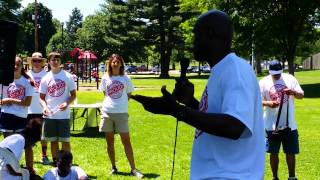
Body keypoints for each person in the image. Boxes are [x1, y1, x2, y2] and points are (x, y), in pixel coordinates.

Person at [131, 10, 265, 179]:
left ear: (210, 34)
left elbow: (234, 126)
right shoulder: (221, 70)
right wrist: (190, 103)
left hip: (230, 175)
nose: (192, 42)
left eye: (196, 36)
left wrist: (179, 111)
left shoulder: (235, 70)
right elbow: (216, 118)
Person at [99, 54, 143, 178]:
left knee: (126, 141)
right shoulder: (105, 78)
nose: (115, 63)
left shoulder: (126, 78)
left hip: (121, 113)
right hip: (107, 112)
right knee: (109, 142)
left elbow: (129, 94)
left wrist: (120, 104)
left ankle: (133, 169)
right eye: (113, 62)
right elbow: (105, 93)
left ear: (121, 64)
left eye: (118, 61)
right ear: (110, 64)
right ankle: (113, 167)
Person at [259, 60, 304, 180]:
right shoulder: (263, 82)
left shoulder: (290, 79)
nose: (277, 76)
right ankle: (275, 177)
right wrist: (268, 103)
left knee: (291, 152)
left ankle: (292, 177)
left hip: (290, 124)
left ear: (282, 70)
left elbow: (301, 95)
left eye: (279, 73)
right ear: (269, 72)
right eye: (274, 74)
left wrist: (293, 92)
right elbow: (255, 101)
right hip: (271, 125)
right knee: (273, 153)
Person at [39, 52, 77, 166]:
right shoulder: (45, 78)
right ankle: (57, 163)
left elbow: (74, 95)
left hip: (63, 115)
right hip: (50, 115)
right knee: (53, 141)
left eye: (57, 60)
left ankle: (67, 163)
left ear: (60, 62)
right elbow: (41, 98)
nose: (55, 62)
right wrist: (45, 107)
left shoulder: (67, 76)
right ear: (49, 62)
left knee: (65, 141)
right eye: (53, 60)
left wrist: (66, 103)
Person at [26, 52, 50, 174]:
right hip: (28, 109)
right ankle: (28, 158)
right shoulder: (26, 74)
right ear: (31, 62)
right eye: (34, 60)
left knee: (43, 134)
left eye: (39, 60)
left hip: (42, 108)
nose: (36, 62)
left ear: (42, 62)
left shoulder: (46, 75)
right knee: (28, 134)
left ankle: (44, 155)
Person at [0, 56, 34, 137]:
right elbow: (1, 101)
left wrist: (9, 100)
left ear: (22, 66)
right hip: (6, 115)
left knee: (18, 145)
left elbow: (27, 103)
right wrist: (4, 101)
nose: (15, 66)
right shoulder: (3, 80)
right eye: (13, 64)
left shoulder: (28, 82)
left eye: (18, 64)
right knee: (7, 145)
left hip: (21, 116)